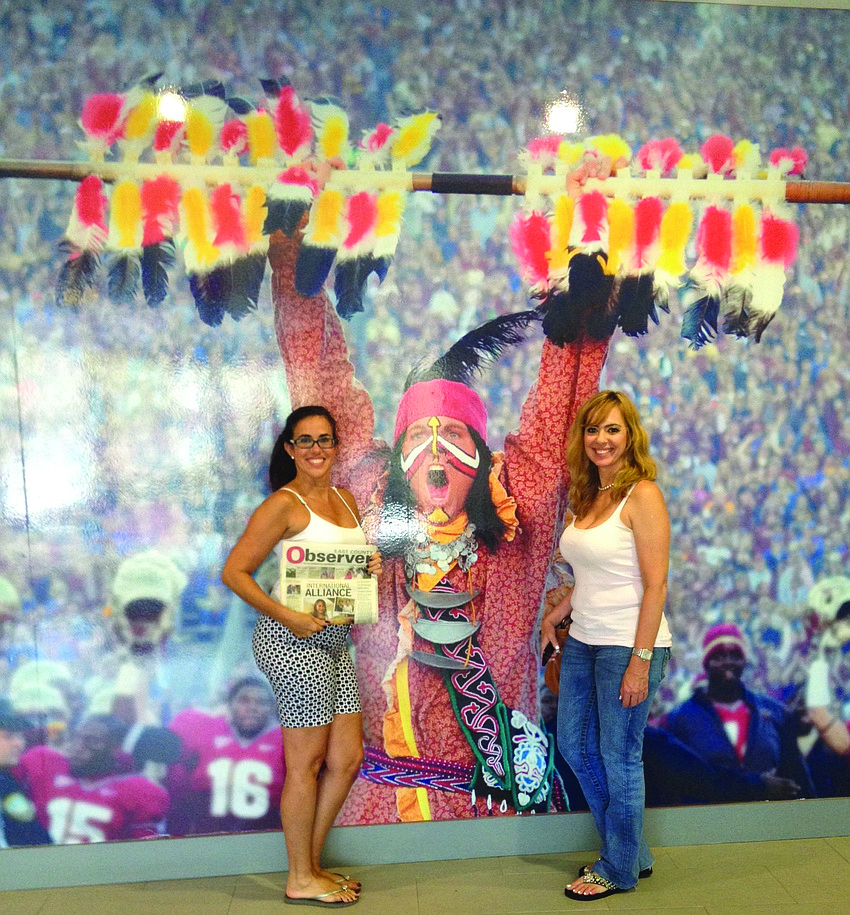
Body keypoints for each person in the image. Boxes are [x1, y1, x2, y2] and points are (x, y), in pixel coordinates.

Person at [222, 405, 381, 907]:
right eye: (305, 440)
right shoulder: (282, 506)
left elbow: (344, 572)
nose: (316, 449)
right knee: (307, 761)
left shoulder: (347, 501)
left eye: (324, 440)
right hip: (290, 643)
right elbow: (235, 573)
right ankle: (300, 877)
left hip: (334, 642)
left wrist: (368, 565)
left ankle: (309, 866)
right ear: (290, 448)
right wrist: (288, 616)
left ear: (337, 446)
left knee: (346, 757)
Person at [540, 390, 673, 900]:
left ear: (629, 435)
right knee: (575, 746)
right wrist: (560, 610)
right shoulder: (590, 494)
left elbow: (655, 584)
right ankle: (630, 851)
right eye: (593, 430)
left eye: (612, 429)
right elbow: (601, 574)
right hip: (584, 641)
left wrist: (640, 663)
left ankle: (617, 869)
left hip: (628, 646)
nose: (602, 440)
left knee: (619, 756)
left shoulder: (643, 494)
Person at [664, 622, 814, 800]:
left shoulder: (774, 712)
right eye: (719, 656)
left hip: (768, 822)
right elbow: (677, 782)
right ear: (706, 663)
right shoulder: (680, 718)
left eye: (735, 655)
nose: (728, 662)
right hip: (708, 823)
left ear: (744, 661)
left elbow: (796, 774)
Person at [15, 713, 169, 843]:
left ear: (115, 749)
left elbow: (143, 852)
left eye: (91, 741)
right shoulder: (46, 763)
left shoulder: (138, 790)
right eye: (77, 738)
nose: (77, 747)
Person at [165, 676, 284, 836]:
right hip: (206, 838)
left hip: (262, 841)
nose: (252, 707)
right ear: (230, 705)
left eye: (261, 702)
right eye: (244, 700)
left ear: (271, 708)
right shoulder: (207, 730)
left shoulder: (285, 741)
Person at [0, 699, 51, 847]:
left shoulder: (6, 781)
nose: (19, 743)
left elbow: (34, 836)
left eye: (20, 736)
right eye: (8, 736)